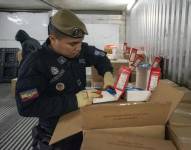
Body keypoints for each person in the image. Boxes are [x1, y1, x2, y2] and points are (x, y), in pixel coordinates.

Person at [15, 9, 114, 150]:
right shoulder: (36, 64)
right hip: (55, 134)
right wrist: (74, 100)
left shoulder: (79, 50)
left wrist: (108, 74)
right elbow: (26, 106)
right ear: (53, 38)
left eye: (81, 42)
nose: (78, 48)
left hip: (81, 124)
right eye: (72, 44)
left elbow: (100, 57)